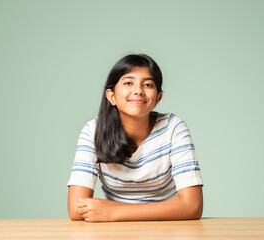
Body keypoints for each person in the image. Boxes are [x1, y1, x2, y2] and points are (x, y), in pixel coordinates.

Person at [67, 54, 203, 222]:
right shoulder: (93, 131)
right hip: (115, 232)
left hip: (168, 228)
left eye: (148, 84)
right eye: (128, 83)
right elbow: (76, 209)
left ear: (158, 98)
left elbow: (193, 206)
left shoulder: (173, 127)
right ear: (111, 96)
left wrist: (114, 212)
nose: (138, 90)